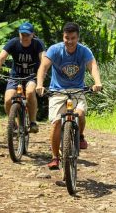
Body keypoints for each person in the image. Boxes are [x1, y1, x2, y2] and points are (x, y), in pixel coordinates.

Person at [36, 22, 102, 169]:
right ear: (63, 37)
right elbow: (43, 67)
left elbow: (93, 66)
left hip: (77, 90)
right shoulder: (54, 50)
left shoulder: (84, 51)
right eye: (67, 38)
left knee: (80, 114)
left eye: (73, 38)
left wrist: (97, 82)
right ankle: (54, 157)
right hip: (57, 91)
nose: (70, 41)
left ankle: (80, 136)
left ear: (78, 38)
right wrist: (40, 84)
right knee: (56, 122)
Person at [0, 22, 46, 133]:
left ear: (32, 35)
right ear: (19, 34)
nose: (25, 37)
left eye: (27, 35)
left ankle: (32, 122)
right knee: (8, 100)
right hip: (15, 76)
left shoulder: (38, 44)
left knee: (30, 92)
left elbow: (44, 61)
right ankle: (14, 124)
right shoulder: (13, 43)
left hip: (32, 76)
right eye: (22, 34)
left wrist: (41, 77)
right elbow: (0, 58)